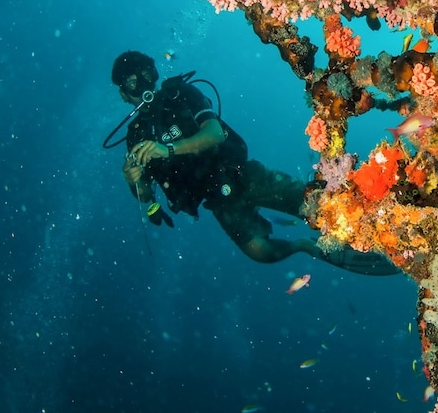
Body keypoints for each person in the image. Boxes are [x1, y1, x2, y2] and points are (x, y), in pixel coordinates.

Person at [108, 51, 397, 276]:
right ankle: (303, 246)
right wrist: (133, 179)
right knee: (261, 252)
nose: (141, 85)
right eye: (132, 83)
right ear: (123, 93)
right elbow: (145, 195)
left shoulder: (180, 93)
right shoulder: (136, 136)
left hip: (241, 173)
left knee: (314, 204)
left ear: (154, 73)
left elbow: (215, 133)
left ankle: (382, 227)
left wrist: (167, 149)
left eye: (145, 74)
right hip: (216, 200)